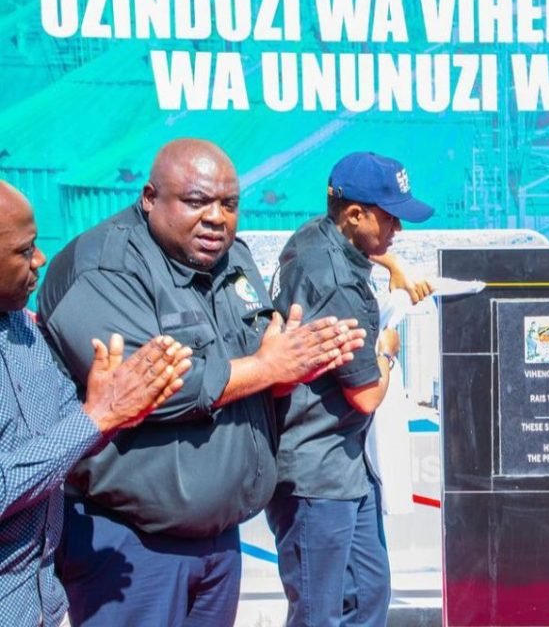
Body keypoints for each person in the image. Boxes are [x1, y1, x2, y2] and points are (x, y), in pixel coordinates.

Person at [35, 139, 367, 626]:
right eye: (197, 201)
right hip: (131, 546)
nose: (216, 218)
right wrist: (267, 368)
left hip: (218, 542)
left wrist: (291, 370)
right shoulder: (104, 267)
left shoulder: (234, 259)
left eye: (229, 204)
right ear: (150, 198)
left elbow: (259, 358)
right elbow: (147, 388)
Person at [0, 181, 192, 625]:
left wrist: (119, 409)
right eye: (24, 250)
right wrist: (97, 417)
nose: (40, 259)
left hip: (40, 605)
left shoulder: (23, 328)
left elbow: (65, 434)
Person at [265, 152, 435, 626]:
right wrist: (389, 349)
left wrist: (390, 262)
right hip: (315, 474)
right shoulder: (337, 284)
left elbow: (357, 252)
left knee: (369, 594)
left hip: (346, 468)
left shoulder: (314, 236)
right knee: (320, 613)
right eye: (390, 217)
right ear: (355, 214)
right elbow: (367, 395)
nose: (398, 227)